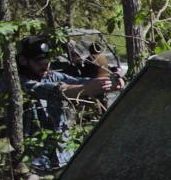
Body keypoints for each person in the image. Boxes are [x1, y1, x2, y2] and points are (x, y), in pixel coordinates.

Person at [15, 35, 120, 171]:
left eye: (47, 59)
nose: (45, 64)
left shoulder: (51, 75)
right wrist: (85, 89)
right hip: (33, 162)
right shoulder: (16, 82)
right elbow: (53, 90)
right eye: (39, 60)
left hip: (63, 158)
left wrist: (110, 82)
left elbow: (77, 81)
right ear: (23, 61)